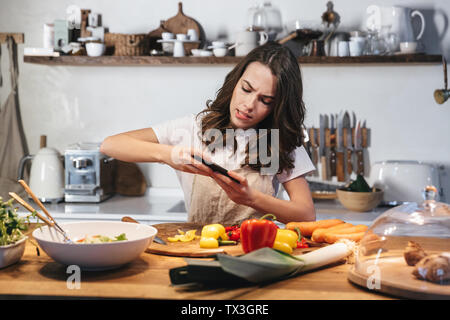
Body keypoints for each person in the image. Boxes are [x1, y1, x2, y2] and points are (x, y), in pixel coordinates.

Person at [100, 42, 316, 225]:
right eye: (246, 89)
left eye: (265, 101)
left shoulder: (274, 142)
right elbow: (111, 145)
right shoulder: (195, 128)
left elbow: (306, 215)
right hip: (197, 251)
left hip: (255, 257)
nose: (249, 105)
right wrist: (169, 155)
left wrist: (252, 198)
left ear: (277, 106)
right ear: (235, 82)